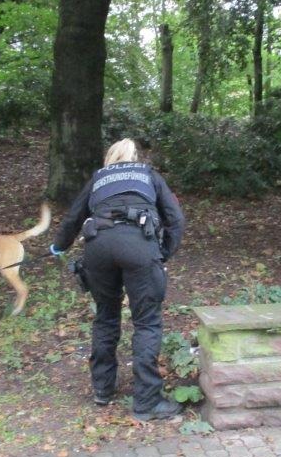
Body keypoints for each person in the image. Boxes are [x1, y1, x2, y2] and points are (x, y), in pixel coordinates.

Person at [50, 138, 185, 421]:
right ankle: (147, 402)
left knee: (106, 316)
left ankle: (103, 390)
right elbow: (175, 219)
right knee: (146, 321)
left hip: (98, 247)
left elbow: (74, 217)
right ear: (135, 156)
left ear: (110, 157)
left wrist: (60, 246)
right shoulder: (148, 174)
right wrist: (162, 253)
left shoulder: (99, 178)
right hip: (139, 245)